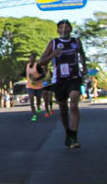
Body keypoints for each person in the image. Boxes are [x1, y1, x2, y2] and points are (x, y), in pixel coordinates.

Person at [39, 20, 88, 148]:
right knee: (63, 110)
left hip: (74, 77)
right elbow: (42, 61)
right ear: (58, 30)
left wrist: (84, 67)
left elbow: (82, 53)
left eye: (67, 27)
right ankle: (67, 132)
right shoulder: (53, 43)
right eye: (61, 27)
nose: (64, 29)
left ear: (70, 29)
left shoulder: (75, 41)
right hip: (59, 80)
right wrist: (53, 55)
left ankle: (74, 135)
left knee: (73, 104)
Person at [25, 53, 46, 121]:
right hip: (30, 85)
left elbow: (43, 75)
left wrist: (36, 79)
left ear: (35, 59)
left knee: (38, 99)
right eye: (30, 58)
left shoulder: (38, 66)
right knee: (31, 98)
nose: (31, 59)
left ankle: (38, 106)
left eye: (33, 58)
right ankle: (34, 114)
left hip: (38, 85)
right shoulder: (27, 65)